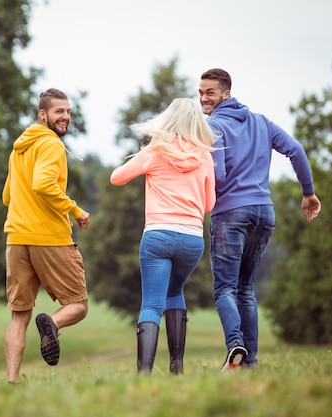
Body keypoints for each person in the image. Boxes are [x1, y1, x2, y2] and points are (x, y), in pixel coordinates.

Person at [198, 68, 322, 371]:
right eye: (200, 92)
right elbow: (295, 149)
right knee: (246, 289)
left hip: (231, 213)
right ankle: (250, 361)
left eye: (210, 92)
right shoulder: (261, 122)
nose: (203, 97)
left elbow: (219, 175)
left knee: (225, 288)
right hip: (264, 212)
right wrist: (309, 193)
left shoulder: (213, 126)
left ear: (226, 93)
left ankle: (235, 345)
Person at [110, 98, 216, 375]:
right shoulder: (204, 156)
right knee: (175, 291)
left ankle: (144, 372)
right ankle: (176, 366)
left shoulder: (156, 151)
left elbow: (116, 178)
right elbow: (208, 206)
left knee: (152, 303)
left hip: (158, 236)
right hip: (192, 239)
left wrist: (141, 157)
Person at [2, 88, 90, 383]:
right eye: (59, 112)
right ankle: (51, 323)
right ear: (43, 115)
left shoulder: (19, 148)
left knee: (19, 315)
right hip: (49, 236)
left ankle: (12, 381)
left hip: (16, 237)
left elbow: (7, 196)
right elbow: (43, 184)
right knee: (78, 305)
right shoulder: (51, 144)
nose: (65, 117)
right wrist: (75, 210)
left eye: (68, 111)